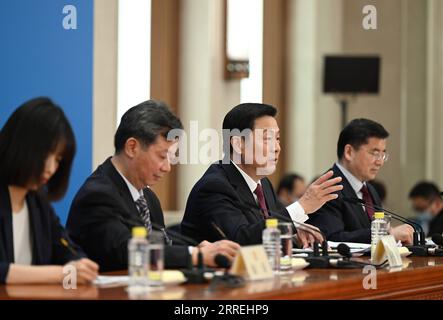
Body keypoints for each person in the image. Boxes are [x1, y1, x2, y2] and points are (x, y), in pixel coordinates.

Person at [67, 100, 239, 272]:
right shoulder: (98, 195)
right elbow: (127, 250)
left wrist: (201, 247)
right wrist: (196, 255)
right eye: (162, 156)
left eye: (171, 157)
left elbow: (161, 243)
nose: (167, 167)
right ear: (132, 147)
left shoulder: (148, 198)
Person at [181, 103, 343, 247]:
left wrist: (294, 234)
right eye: (267, 139)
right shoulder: (215, 186)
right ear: (238, 144)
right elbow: (240, 240)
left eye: (278, 139)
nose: (277, 147)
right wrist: (302, 207)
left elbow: (267, 228)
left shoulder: (263, 184)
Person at [0, 97, 98, 284]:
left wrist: (80, 264)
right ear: (22, 144)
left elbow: (66, 248)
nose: (52, 168)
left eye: (58, 159)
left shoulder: (38, 203)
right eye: (47, 154)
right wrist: (63, 274)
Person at [308, 118, 414, 244]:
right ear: (349, 152)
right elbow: (331, 239)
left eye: (383, 155)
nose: (379, 161)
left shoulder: (370, 190)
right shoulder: (328, 187)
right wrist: (387, 234)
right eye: (374, 153)